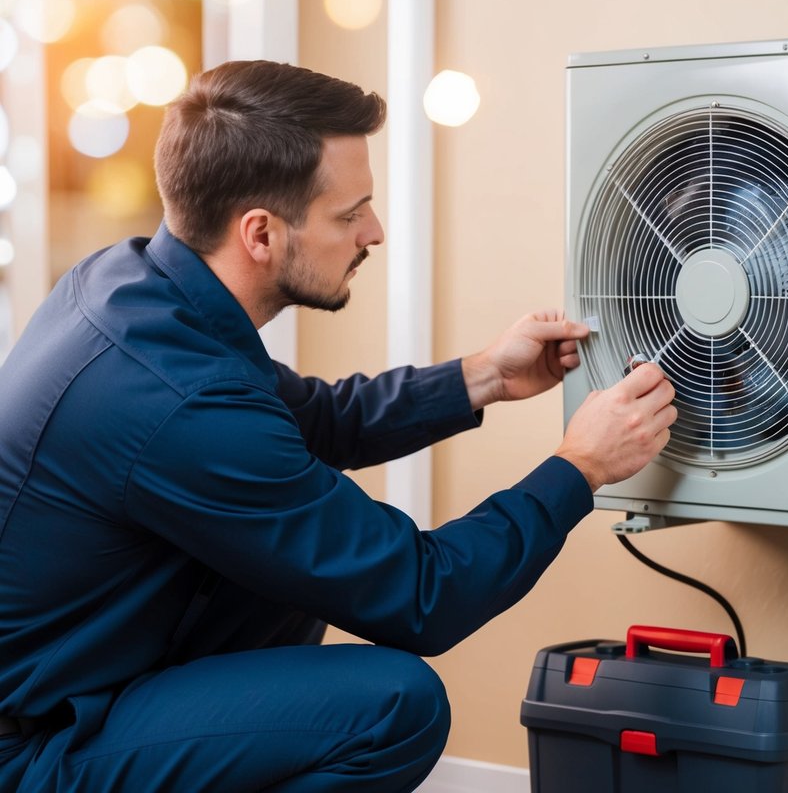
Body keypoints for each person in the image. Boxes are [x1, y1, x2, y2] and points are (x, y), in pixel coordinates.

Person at [0, 60, 676, 792]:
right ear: (260, 233)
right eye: (351, 213)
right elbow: (424, 597)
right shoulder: (180, 401)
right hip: (36, 746)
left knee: (284, 578)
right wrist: (579, 468)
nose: (375, 232)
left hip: (81, 675)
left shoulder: (130, 285)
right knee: (394, 705)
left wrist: (484, 375)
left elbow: (312, 420)